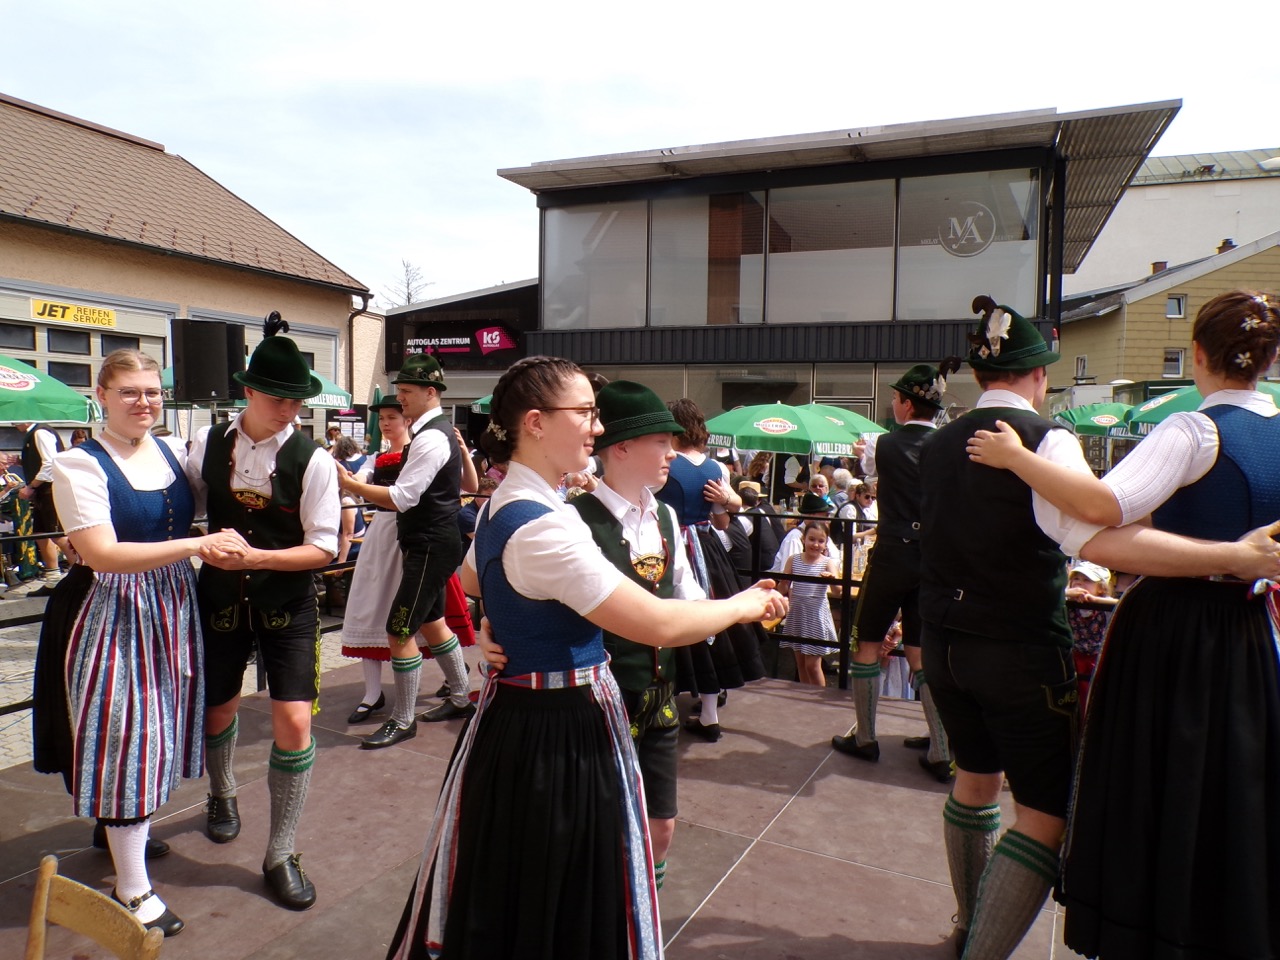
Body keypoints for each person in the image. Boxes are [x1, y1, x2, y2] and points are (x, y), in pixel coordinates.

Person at [385, 355, 786, 960]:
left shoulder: (507, 504)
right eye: (586, 414)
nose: (597, 428)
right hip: (558, 730)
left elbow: (470, 576)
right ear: (536, 422)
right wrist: (744, 606)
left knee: (519, 885)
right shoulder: (546, 524)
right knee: (566, 890)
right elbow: (656, 621)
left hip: (522, 718)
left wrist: (503, 614)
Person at [965, 289, 1280, 959]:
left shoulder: (1195, 430)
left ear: (1198, 353)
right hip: (1250, 631)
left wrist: (1020, 459)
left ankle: (1150, 931)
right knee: (1233, 787)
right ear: (1268, 358)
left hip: (1173, 632)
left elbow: (1104, 508)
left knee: (1157, 784)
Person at [43, 350, 248, 936]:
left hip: (170, 602)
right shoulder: (78, 464)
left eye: (152, 392)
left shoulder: (172, 452)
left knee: (156, 725)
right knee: (127, 733)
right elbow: (102, 552)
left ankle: (116, 832)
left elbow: (207, 505)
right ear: (101, 396)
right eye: (129, 392)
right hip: (111, 607)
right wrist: (195, 547)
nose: (143, 402)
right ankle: (132, 890)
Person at [185, 315, 340, 911]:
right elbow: (183, 507)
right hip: (221, 598)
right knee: (218, 706)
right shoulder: (207, 444)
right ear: (248, 391)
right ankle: (222, 790)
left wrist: (259, 558)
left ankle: (281, 850)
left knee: (295, 722)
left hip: (287, 603)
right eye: (279, 399)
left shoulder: (314, 460)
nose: (290, 411)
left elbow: (325, 549)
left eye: (297, 400)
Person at [336, 355, 472, 748]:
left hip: (429, 544)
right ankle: (460, 697)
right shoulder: (432, 433)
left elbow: (402, 497)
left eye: (407, 392)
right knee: (432, 622)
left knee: (399, 630)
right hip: (429, 543)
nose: (401, 398)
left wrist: (352, 485)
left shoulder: (430, 437)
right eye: (400, 391)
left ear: (431, 392)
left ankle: (403, 719)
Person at [832, 361, 958, 783]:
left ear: (906, 403)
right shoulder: (948, 444)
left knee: (866, 643)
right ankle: (940, 749)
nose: (893, 402)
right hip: (932, 558)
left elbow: (869, 469)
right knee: (922, 651)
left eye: (895, 397)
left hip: (892, 553)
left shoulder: (883, 444)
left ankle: (866, 737)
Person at [657, 398, 766, 743]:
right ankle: (709, 711)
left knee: (671, 620)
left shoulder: (666, 465)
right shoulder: (715, 468)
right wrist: (728, 500)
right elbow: (722, 520)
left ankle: (670, 703)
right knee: (712, 622)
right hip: (709, 547)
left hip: (673, 548)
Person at [777, 520, 841, 686]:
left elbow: (838, 591)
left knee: (812, 665)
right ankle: (805, 695)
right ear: (803, 539)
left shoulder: (827, 562)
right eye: (812, 539)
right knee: (801, 664)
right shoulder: (794, 560)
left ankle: (819, 695)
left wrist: (832, 579)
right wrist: (784, 581)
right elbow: (782, 588)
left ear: (826, 543)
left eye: (821, 541)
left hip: (816, 616)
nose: (816, 544)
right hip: (798, 613)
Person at [12, 419, 68, 595]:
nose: (14, 424)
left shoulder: (40, 432)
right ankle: (53, 580)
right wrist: (22, 462)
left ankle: (84, 577)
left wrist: (31, 486)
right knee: (41, 535)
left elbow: (50, 464)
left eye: (15, 420)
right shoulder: (34, 434)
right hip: (43, 491)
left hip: (51, 489)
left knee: (59, 535)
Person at [1062, 560, 1116, 709]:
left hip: (1097, 658)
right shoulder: (1067, 601)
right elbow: (1052, 597)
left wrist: (1096, 601)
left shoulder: (1104, 604)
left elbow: (1121, 604)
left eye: (1087, 580)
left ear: (1101, 588)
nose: (1079, 583)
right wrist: (1067, 593)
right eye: (1076, 578)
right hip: (1075, 655)